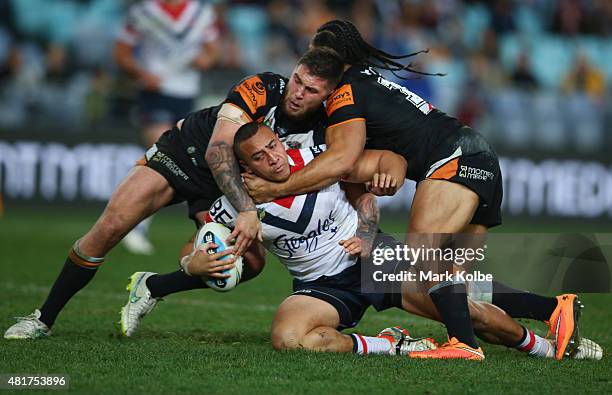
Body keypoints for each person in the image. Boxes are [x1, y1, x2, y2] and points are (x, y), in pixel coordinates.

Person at [241, 20, 581, 360]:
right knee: (457, 285)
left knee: (424, 260)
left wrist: (274, 189)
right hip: (477, 157)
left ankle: (464, 345)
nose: (313, 56)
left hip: (453, 159)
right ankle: (552, 309)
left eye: (318, 49)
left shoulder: (345, 91)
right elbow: (361, 162)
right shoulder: (366, 81)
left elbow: (341, 160)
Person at [122, 123, 603, 360]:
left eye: (275, 143)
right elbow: (196, 247)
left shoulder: (316, 154)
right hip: (320, 286)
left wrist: (369, 227)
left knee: (468, 307)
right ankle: (387, 344)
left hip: (372, 256)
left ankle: (547, 343)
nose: (276, 156)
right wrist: (194, 267)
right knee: (288, 338)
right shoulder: (235, 207)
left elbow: (385, 163)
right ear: (244, 169)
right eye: (262, 155)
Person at [3, 47, 344, 340]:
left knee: (246, 263)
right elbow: (216, 152)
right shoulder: (263, 86)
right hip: (187, 154)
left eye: (311, 90)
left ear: (327, 95)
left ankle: (153, 286)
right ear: (293, 71)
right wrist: (247, 210)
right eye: (298, 80)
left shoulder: (323, 126)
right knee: (112, 225)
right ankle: (42, 319)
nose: (298, 93)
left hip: (224, 183)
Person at [114, 0, 220, 254]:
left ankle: (205, 226)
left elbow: (213, 51)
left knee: (184, 159)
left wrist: (206, 59)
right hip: (156, 91)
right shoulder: (144, 12)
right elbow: (121, 52)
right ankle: (134, 223)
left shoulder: (201, 13)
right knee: (159, 149)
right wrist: (142, 74)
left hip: (186, 93)